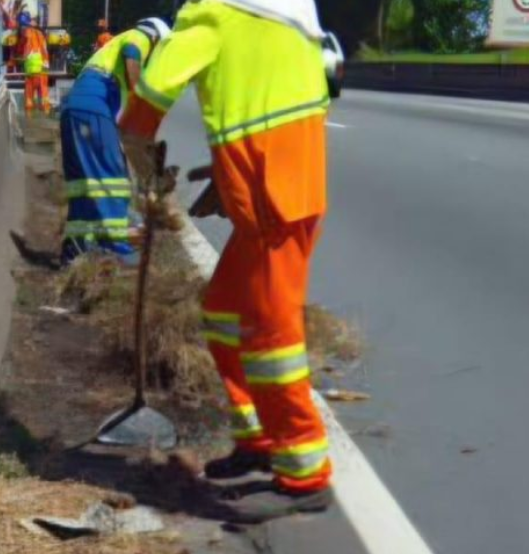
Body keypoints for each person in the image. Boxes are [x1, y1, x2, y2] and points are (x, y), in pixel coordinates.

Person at [120, 0, 333, 523]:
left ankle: (304, 473)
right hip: (277, 188)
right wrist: (227, 173)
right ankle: (258, 438)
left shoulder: (212, 16)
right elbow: (280, 98)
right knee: (223, 311)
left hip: (272, 196)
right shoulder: (284, 19)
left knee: (269, 336)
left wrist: (143, 166)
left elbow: (144, 103)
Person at [58, 18, 172, 265]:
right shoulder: (140, 36)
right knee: (113, 181)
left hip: (74, 111)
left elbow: (125, 131)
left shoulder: (109, 56)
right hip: (93, 108)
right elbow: (132, 54)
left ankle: (73, 250)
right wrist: (144, 99)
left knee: (83, 186)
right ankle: (118, 252)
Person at [21, 16, 51, 114]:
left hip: (32, 66)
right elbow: (45, 50)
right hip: (44, 65)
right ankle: (45, 110)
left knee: (29, 91)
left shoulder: (28, 32)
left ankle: (29, 114)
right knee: (44, 89)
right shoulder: (41, 34)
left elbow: (26, 47)